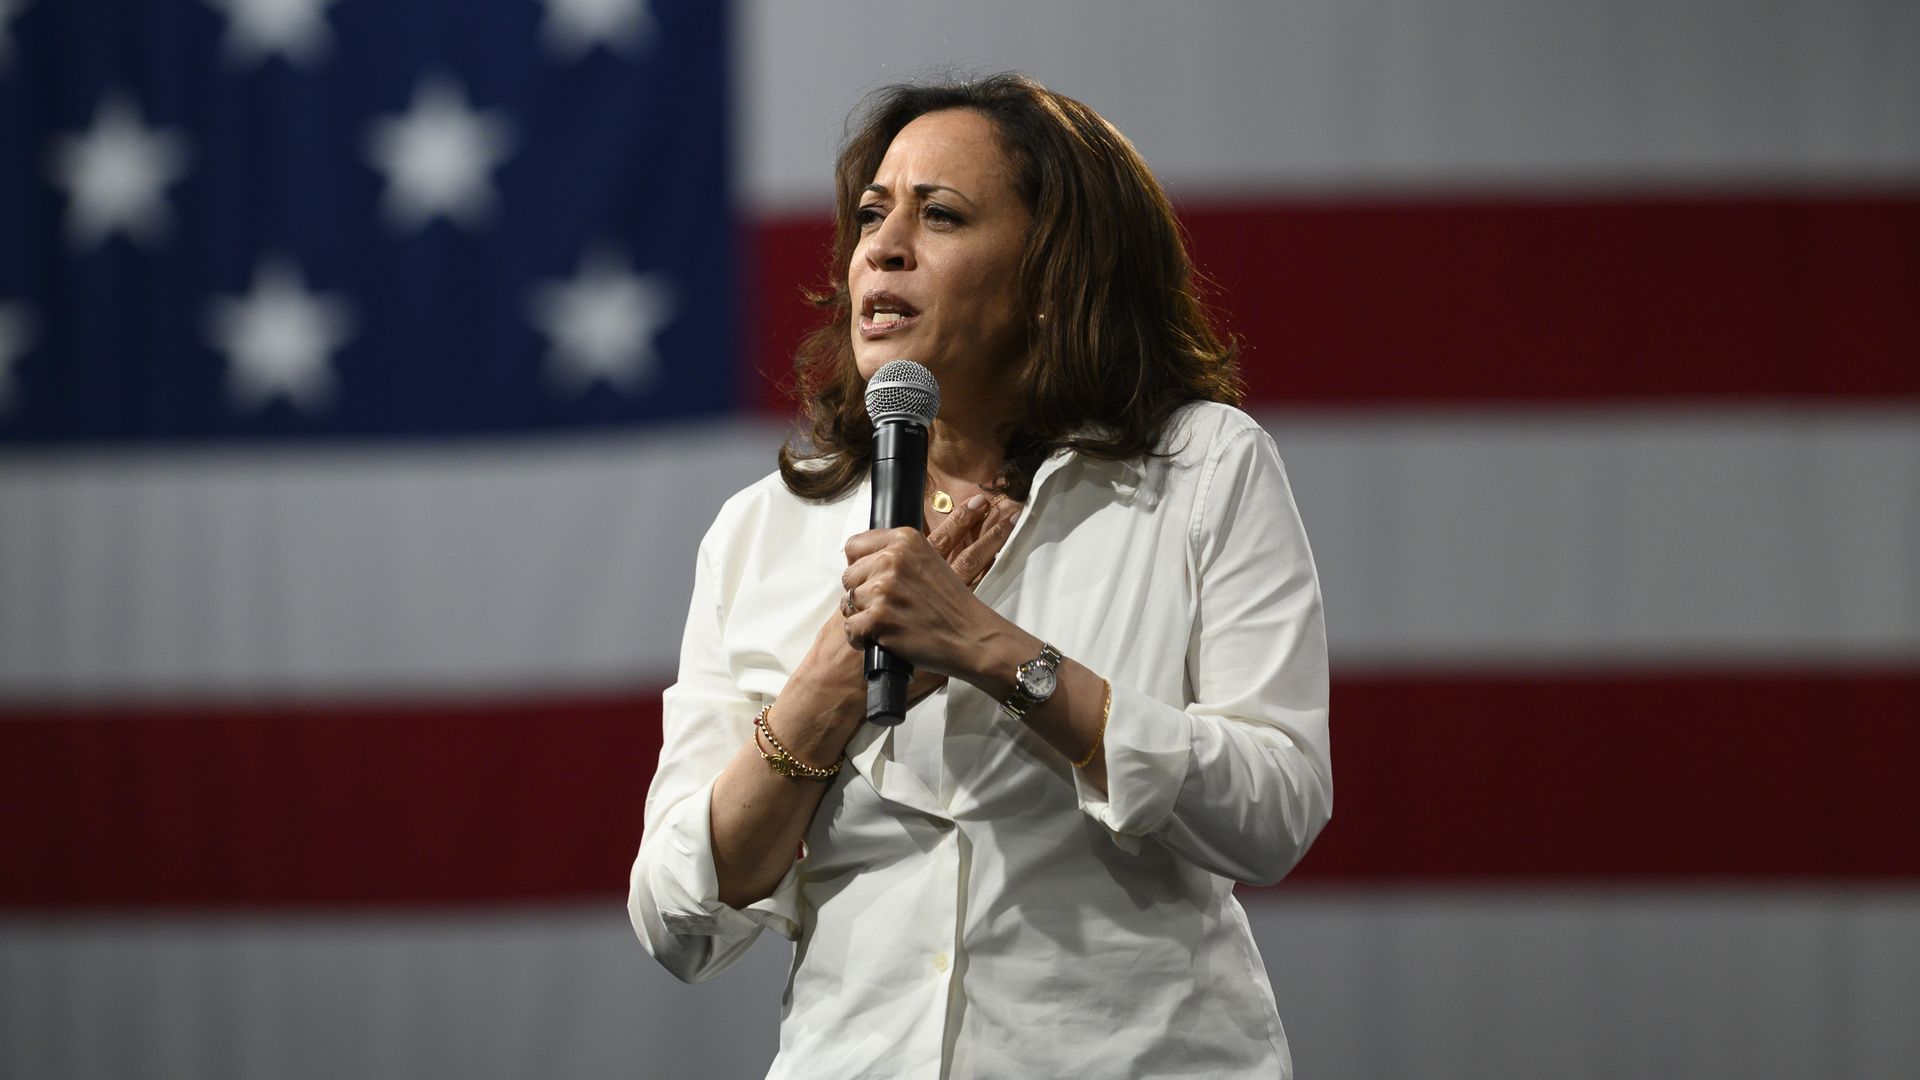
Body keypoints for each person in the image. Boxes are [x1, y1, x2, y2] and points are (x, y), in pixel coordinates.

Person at [630, 72, 1331, 1079]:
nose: (883, 247)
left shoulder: (1200, 470)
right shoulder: (762, 530)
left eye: (940, 215)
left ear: (1052, 275)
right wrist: (826, 694)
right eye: (871, 215)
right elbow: (677, 918)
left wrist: (998, 656)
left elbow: (1275, 811)